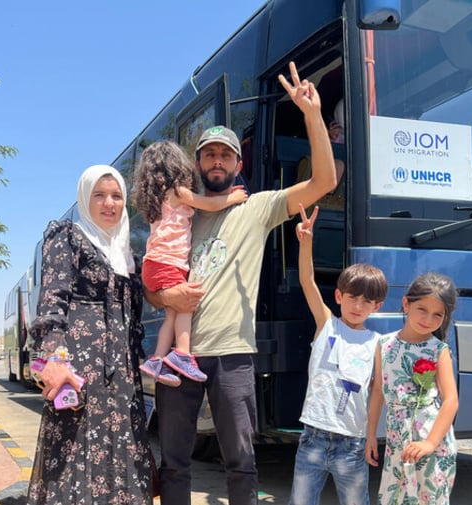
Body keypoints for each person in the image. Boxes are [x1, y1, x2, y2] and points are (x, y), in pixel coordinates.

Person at [147, 61, 338, 505]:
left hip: (233, 354)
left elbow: (325, 181)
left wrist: (312, 115)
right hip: (181, 358)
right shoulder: (179, 212)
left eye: (225, 155)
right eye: (209, 154)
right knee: (174, 461)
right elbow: (152, 281)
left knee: (241, 461)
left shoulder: (259, 208)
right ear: (197, 163)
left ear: (238, 162)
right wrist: (164, 295)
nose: (217, 161)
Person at [26, 165, 153, 504]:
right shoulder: (68, 236)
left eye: (116, 196)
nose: (108, 203)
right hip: (78, 368)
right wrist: (52, 357)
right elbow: (52, 300)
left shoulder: (129, 256)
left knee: (121, 454)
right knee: (75, 457)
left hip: (123, 376)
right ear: (85, 199)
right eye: (99, 195)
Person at [288, 204, 387, 505]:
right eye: (353, 298)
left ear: (377, 307)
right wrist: (306, 243)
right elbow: (307, 281)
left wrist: (371, 435)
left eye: (367, 301)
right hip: (313, 437)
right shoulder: (326, 324)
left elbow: (378, 392)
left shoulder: (378, 342)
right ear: (339, 297)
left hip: (353, 443)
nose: (358, 306)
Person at [131, 140, 248, 387]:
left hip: (154, 265)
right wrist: (233, 197)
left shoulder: (158, 198)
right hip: (167, 263)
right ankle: (183, 354)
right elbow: (209, 204)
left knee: (171, 315)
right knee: (185, 306)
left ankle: (157, 360)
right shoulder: (177, 192)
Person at [365, 273, 459, 504]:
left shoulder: (439, 350)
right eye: (422, 309)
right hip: (397, 440)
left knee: (428, 497)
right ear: (406, 304)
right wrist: (369, 436)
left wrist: (430, 443)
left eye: (438, 314)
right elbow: (378, 390)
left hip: (430, 439)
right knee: (395, 496)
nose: (428, 319)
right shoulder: (384, 344)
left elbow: (451, 401)